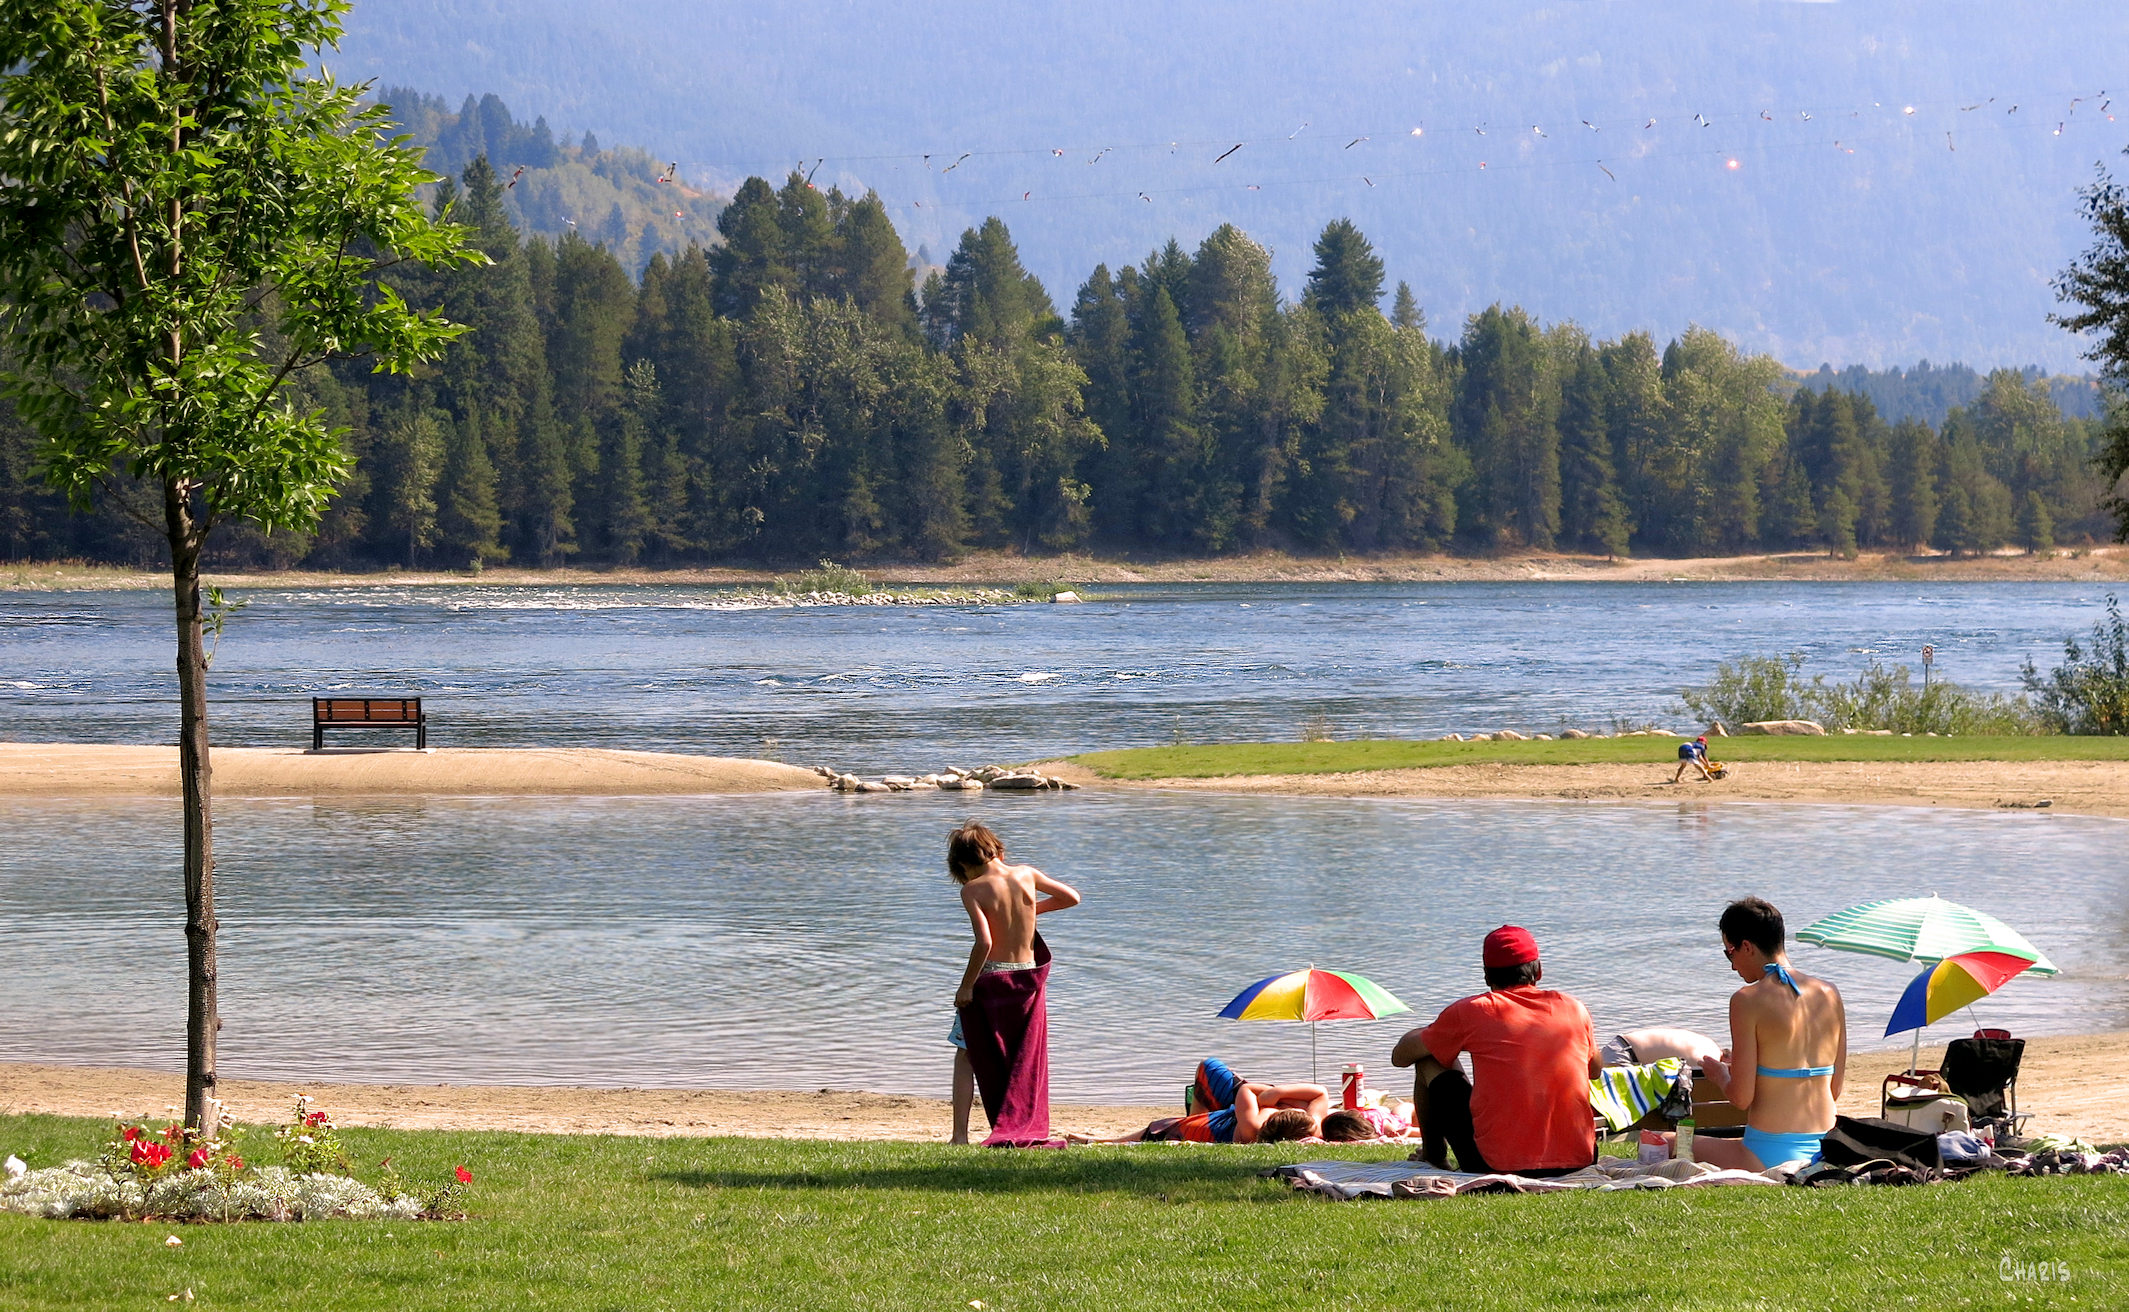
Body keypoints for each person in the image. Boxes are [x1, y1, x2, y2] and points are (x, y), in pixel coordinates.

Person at [1390, 925, 1600, 1177]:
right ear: (1539, 970)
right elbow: (1595, 1070)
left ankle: (1433, 1156)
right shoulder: (1573, 1008)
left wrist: (1429, 1031)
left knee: (1429, 1058)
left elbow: (1400, 1057)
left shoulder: (1474, 1010)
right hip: (1579, 1160)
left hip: (1494, 1164)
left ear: (1487, 976)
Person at [948, 821, 1081, 1146]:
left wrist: (966, 987)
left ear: (964, 864)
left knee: (966, 1054)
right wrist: (1030, 911)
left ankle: (960, 1136)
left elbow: (984, 943)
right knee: (1023, 1055)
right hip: (1027, 978)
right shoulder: (1026, 874)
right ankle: (1025, 1120)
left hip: (993, 977)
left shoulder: (973, 889)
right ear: (995, 848)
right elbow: (1071, 897)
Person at [1694, 897, 1847, 1171]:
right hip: (1825, 1145)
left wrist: (1720, 1075)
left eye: (1729, 952)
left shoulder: (1746, 1000)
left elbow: (1741, 1098)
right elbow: (1834, 1089)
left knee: (1663, 1141)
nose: (1732, 965)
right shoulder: (1829, 993)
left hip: (1768, 1151)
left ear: (1747, 947)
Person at [1077, 1073, 1331, 1144]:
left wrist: (1270, 1097)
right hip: (1238, 1114)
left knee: (1160, 1129)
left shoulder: (1253, 1128)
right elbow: (1321, 1092)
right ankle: (1097, 1141)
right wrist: (1280, 1095)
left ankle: (1098, 1141)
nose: (1301, 1110)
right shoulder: (1314, 1125)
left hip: (1220, 1127)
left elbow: (1245, 1090)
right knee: (1211, 1069)